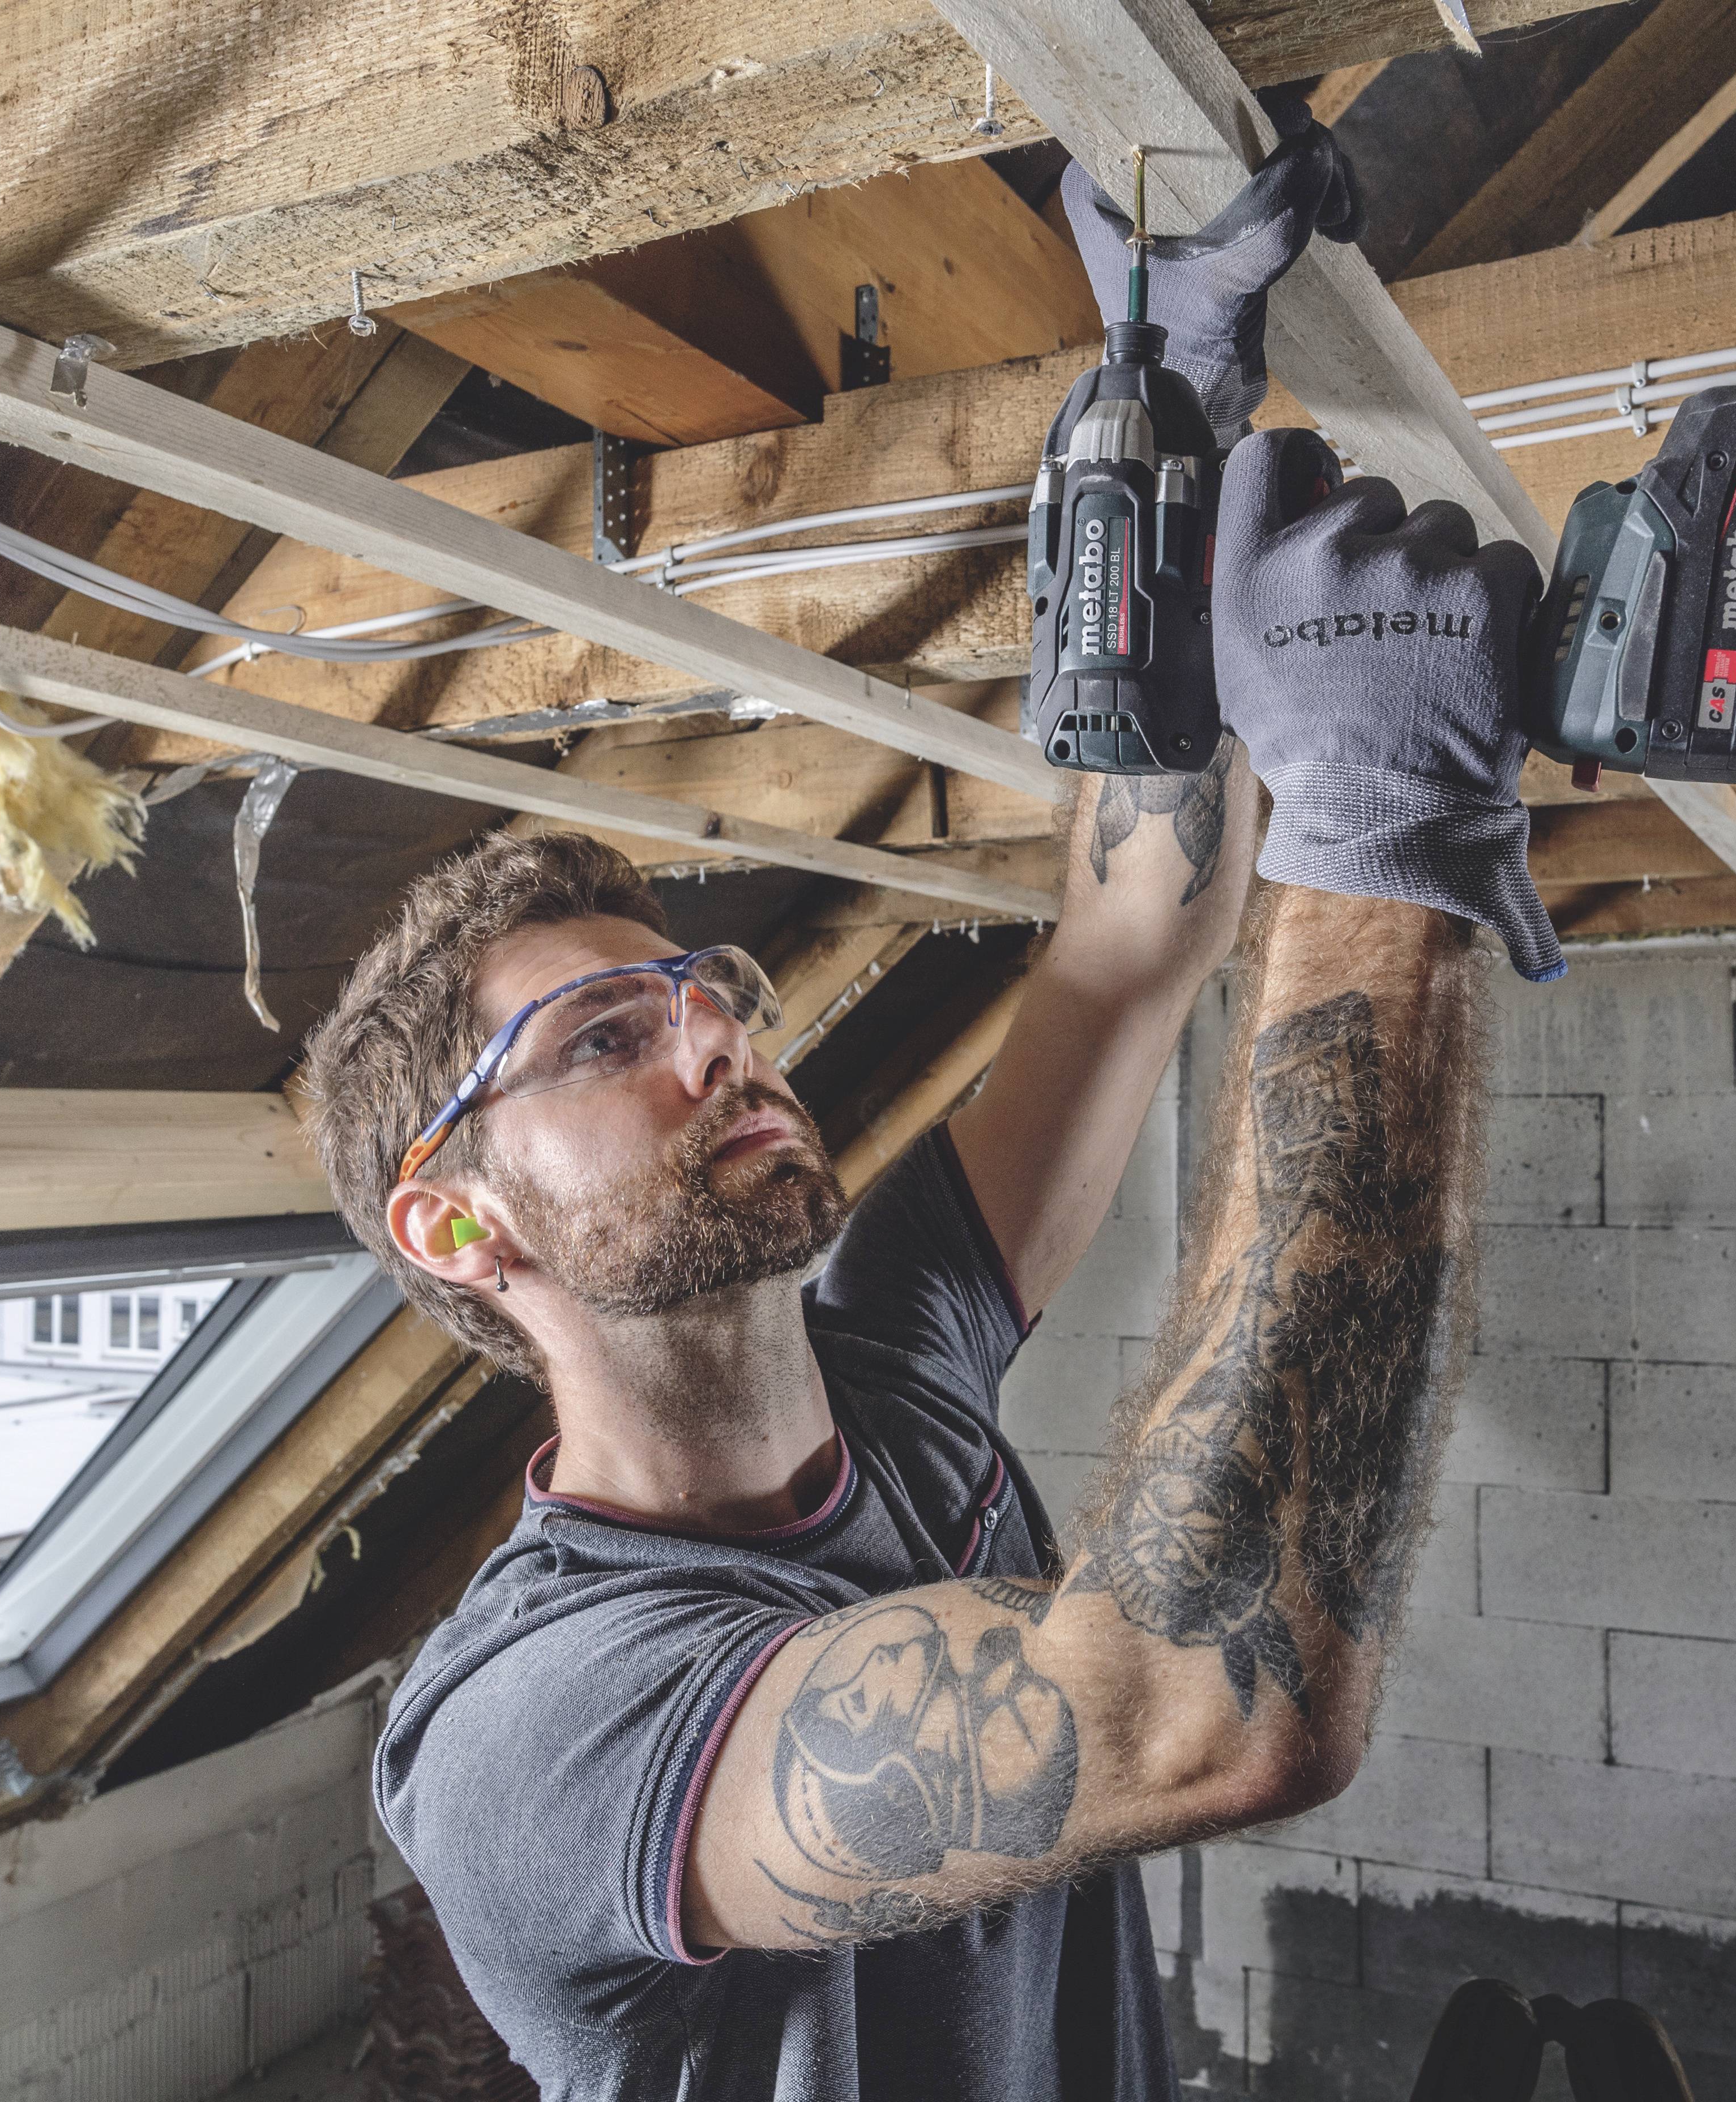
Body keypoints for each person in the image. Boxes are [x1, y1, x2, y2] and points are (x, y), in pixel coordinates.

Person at [305, 129, 1567, 2102]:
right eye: (606, 1038)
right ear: (457, 1224)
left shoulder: (891, 1358)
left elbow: (1130, 943)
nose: (722, 1044)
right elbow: (1197, 1706)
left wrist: (1166, 418)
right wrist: (1380, 828)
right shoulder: (533, 1731)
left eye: (710, 996)